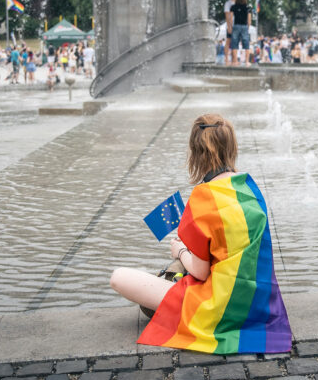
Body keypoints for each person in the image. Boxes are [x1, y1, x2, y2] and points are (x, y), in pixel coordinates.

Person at [110, 113, 292, 354]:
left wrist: (181, 251)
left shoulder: (203, 197)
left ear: (196, 154)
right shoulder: (251, 188)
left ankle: (178, 308)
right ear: (232, 148)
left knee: (118, 277)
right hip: (259, 304)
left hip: (218, 306)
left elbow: (200, 271)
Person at [230, 0, 252, 66]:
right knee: (246, 44)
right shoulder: (248, 8)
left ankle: (235, 61)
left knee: (234, 44)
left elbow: (230, 18)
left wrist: (230, 27)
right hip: (244, 26)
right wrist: (248, 27)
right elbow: (249, 20)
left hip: (236, 26)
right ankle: (247, 61)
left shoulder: (233, 7)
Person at [223, 0, 236, 65]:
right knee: (228, 41)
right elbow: (227, 15)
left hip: (237, 24)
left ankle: (234, 59)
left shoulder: (238, 3)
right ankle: (226, 58)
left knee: (235, 42)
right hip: (230, 25)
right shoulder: (228, 3)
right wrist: (229, 26)